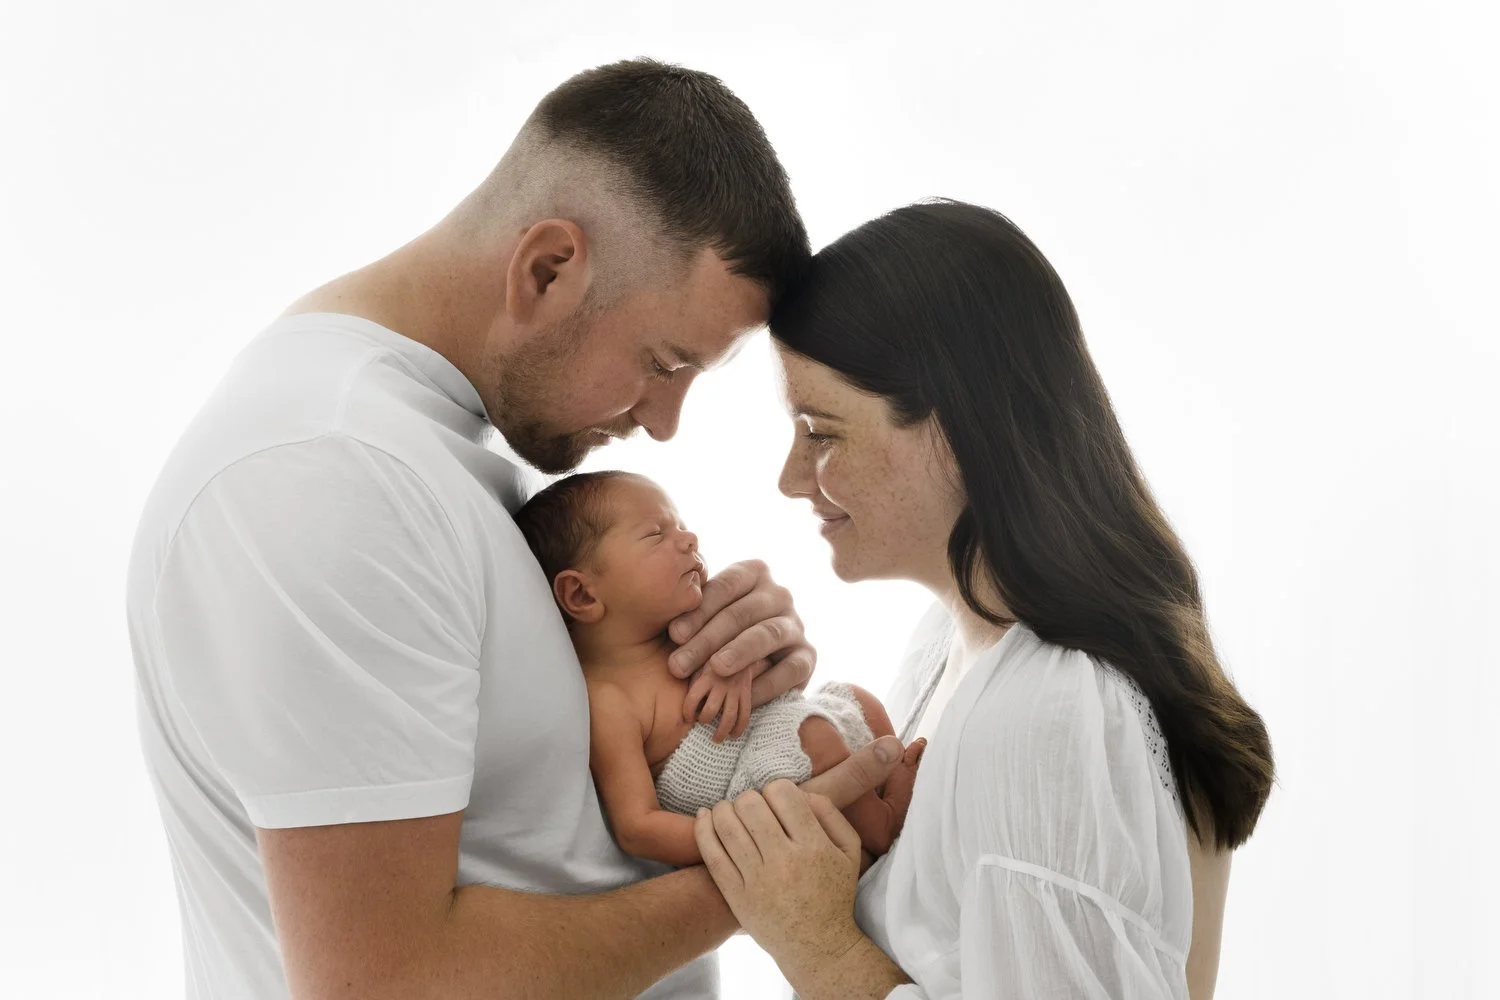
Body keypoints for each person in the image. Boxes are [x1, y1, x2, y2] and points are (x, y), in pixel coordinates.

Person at [125, 60, 905, 1000]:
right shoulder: (331, 476)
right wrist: (792, 851)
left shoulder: (423, 457)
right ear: (547, 268)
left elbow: (537, 824)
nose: (663, 423)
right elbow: (393, 984)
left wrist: (707, 667)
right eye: (661, 363)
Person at [690, 200, 1276, 1000]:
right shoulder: (946, 648)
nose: (791, 478)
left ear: (960, 429)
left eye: (820, 431)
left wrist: (819, 947)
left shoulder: (1046, 706)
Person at [512, 470, 912, 867]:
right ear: (581, 594)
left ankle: (887, 780)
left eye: (682, 527)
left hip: (784, 734)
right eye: (655, 534)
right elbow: (637, 827)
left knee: (858, 698)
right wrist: (737, 840)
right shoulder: (606, 699)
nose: (689, 540)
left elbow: (764, 671)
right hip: (744, 786)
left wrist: (746, 662)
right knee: (815, 735)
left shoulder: (689, 628)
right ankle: (884, 821)